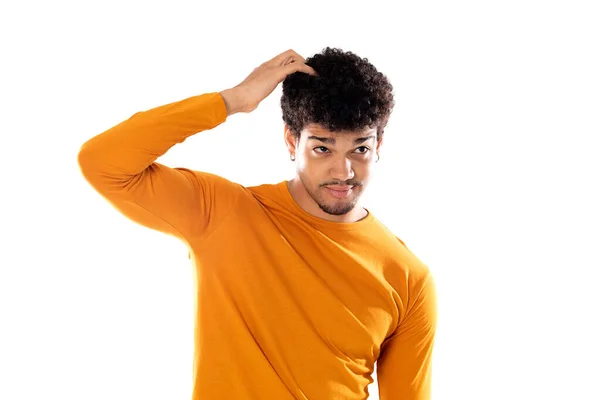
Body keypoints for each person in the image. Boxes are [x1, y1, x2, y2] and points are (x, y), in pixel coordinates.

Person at [78, 47, 438, 400]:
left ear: (379, 145)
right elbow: (102, 162)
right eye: (323, 148)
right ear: (291, 140)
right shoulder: (222, 212)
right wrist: (233, 100)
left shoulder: (407, 277)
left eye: (359, 149)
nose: (343, 172)